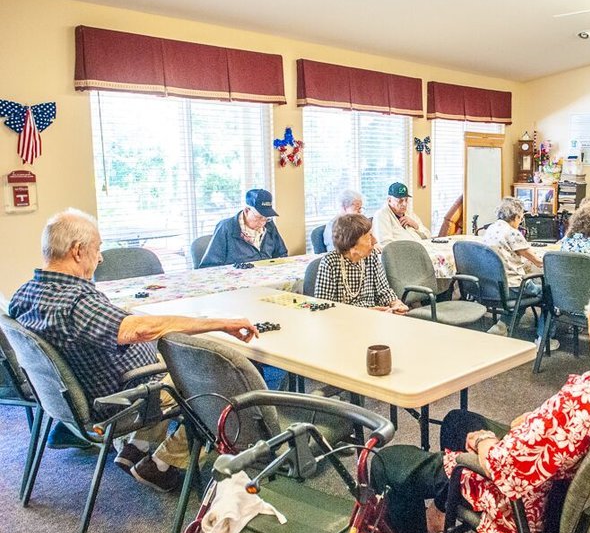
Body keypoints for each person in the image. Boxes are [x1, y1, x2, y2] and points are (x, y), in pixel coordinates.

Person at [369, 273, 590, 533]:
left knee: (390, 462)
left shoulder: (583, 404)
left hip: (536, 511)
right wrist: (539, 422)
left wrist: (482, 441)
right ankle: (439, 515)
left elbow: (501, 468)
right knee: (456, 421)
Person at [8, 209, 258, 491]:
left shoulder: (25, 293)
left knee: (176, 357)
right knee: (217, 380)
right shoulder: (76, 302)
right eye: (97, 248)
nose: (100, 257)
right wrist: (219, 324)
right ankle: (164, 464)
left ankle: (135, 448)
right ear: (78, 251)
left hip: (87, 385)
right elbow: (138, 331)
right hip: (122, 396)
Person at [481, 197, 552, 345]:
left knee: (523, 296)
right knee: (549, 293)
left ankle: (502, 326)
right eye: (521, 218)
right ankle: (544, 339)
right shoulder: (512, 233)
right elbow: (538, 261)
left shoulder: (491, 229)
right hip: (513, 286)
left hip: (493, 285)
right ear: (516, 216)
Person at [315, 213, 409, 313]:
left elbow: (384, 291)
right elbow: (323, 306)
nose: (374, 240)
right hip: (343, 322)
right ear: (352, 243)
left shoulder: (371, 256)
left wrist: (395, 303)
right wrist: (364, 312)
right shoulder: (330, 263)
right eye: (369, 237)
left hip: (374, 319)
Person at [199, 188, 288, 267]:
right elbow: (209, 266)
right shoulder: (226, 227)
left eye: (266, 218)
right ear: (246, 211)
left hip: (266, 278)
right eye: (259, 217)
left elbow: (281, 254)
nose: (262, 223)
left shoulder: (269, 225)